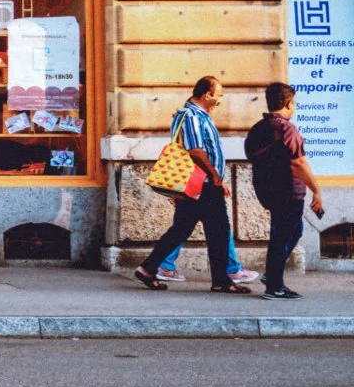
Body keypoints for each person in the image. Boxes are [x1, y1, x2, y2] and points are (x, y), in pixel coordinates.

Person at [136, 77, 253, 293]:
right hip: (203, 185)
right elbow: (195, 150)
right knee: (217, 230)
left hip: (203, 184)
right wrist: (215, 176)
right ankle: (221, 281)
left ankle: (148, 268)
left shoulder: (200, 115)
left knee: (183, 229)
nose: (220, 99)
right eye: (218, 95)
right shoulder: (191, 116)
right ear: (206, 95)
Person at [245, 82, 326, 301]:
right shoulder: (286, 128)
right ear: (289, 103)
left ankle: (272, 276)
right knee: (281, 237)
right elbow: (298, 162)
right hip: (287, 191)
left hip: (267, 189)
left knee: (293, 231)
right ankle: (274, 286)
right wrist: (316, 191)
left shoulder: (258, 128)